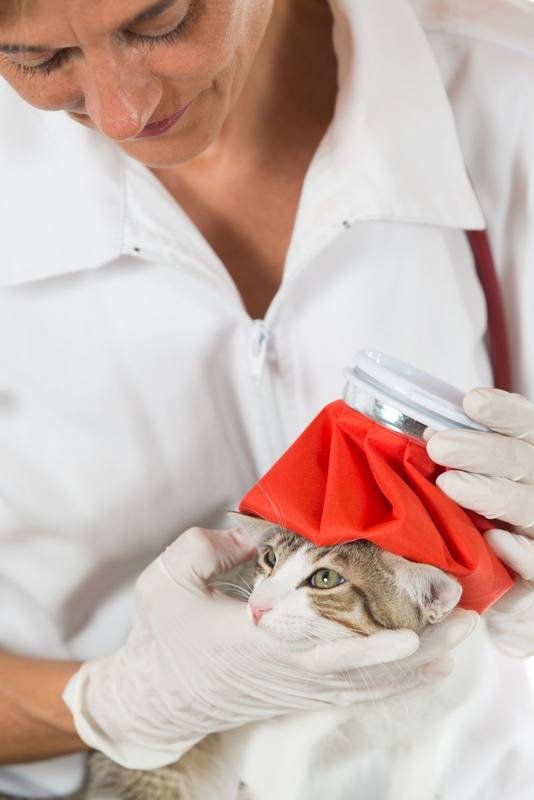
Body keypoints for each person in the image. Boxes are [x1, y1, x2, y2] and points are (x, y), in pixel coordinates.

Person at [1, 0, 534, 797]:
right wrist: (109, 702)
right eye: (37, 60)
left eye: (161, 23)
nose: (121, 111)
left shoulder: (511, 92)